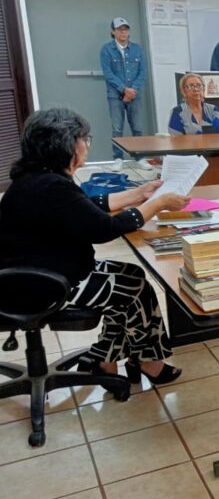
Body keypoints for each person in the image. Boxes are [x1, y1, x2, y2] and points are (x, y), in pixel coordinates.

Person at [0, 108, 188, 385]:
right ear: (65, 145)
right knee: (132, 289)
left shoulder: (38, 179)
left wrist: (138, 194)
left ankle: (106, 359)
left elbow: (83, 209)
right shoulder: (51, 185)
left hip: (32, 274)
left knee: (132, 277)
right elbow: (104, 229)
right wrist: (157, 203)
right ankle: (144, 361)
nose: (87, 145)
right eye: (83, 138)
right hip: (41, 285)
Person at [100, 17, 149, 172]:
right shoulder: (106, 50)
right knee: (117, 128)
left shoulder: (137, 49)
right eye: (120, 29)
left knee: (138, 128)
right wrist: (124, 90)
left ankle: (140, 157)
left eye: (126, 29)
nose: (123, 32)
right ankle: (118, 158)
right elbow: (108, 73)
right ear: (113, 32)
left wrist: (132, 90)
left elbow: (142, 72)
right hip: (115, 95)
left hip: (135, 94)